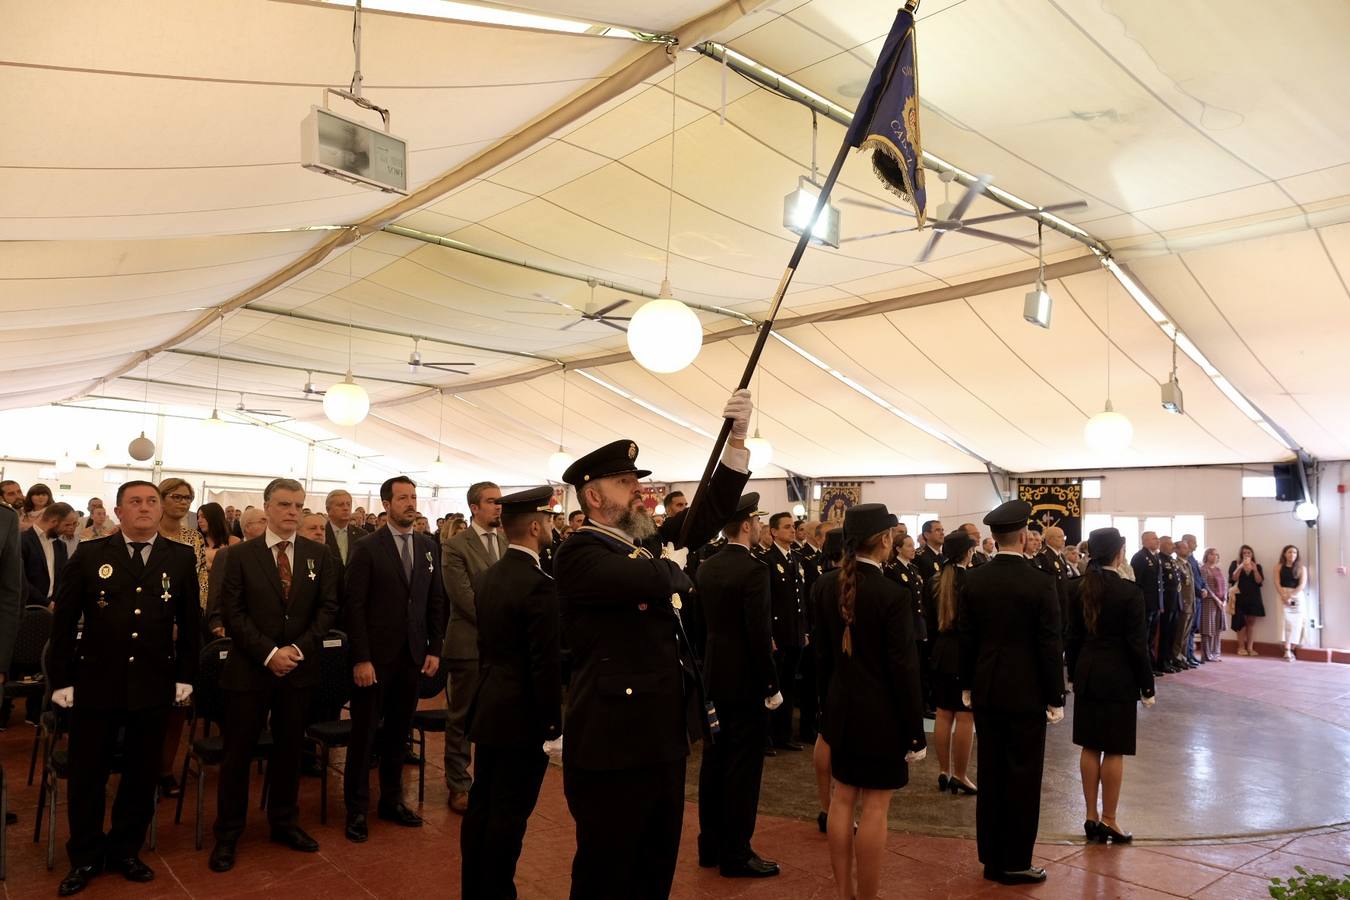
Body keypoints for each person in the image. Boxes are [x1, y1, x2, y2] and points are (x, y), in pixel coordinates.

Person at [554, 389, 752, 900]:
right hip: (611, 742)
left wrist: (737, 439)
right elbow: (647, 581)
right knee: (607, 868)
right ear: (593, 496)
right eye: (625, 484)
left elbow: (708, 515)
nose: (639, 494)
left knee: (656, 863)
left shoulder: (641, 543)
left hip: (661, 736)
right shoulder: (580, 552)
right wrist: (674, 570)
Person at [49, 481, 200, 896]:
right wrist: (61, 680)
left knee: (140, 773)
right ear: (118, 511)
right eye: (135, 502)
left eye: (152, 501)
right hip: (95, 683)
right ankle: (84, 856)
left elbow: (190, 625)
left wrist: (186, 676)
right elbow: (62, 624)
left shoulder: (181, 558)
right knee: (87, 775)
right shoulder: (91, 554)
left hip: (153, 684)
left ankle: (125, 851)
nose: (145, 508)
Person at [209, 478, 341, 873]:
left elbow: (328, 608)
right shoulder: (240, 556)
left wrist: (298, 649)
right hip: (250, 668)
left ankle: (284, 822)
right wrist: (269, 653)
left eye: (298, 505)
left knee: (289, 750)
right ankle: (228, 833)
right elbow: (232, 612)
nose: (292, 512)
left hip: (299, 668)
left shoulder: (319, 555)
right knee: (238, 755)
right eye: (284, 504)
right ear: (267, 506)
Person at [813, 503, 925, 900]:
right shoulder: (893, 593)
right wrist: (915, 733)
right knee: (876, 807)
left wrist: (828, 710)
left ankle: (844, 892)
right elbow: (903, 671)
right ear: (883, 540)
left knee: (842, 799)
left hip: (842, 710)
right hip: (883, 718)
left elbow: (822, 660)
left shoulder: (825, 585)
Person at [461, 486, 563, 897]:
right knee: (509, 813)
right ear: (536, 526)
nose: (554, 527)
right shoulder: (539, 584)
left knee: (483, 805)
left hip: (490, 704)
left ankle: (476, 889)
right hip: (522, 714)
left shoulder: (490, 576)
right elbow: (544, 664)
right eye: (551, 520)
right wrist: (553, 726)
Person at [960, 500, 1064, 886]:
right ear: (1023, 537)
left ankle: (990, 856)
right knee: (1022, 776)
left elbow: (967, 638)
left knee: (991, 773)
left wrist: (968, 684)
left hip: (987, 688)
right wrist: (1055, 696)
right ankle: (1015, 860)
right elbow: (1049, 644)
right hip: (1026, 691)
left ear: (993, 538)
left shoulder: (975, 579)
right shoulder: (1040, 581)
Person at [343, 476, 447, 841]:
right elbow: (353, 607)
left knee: (399, 734)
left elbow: (435, 599)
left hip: (412, 656)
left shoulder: (428, 546)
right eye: (402, 497)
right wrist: (361, 658)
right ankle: (356, 809)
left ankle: (391, 799)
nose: (410, 503)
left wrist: (435, 647)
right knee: (365, 733)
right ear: (386, 504)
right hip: (375, 658)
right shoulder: (368, 547)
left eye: (414, 497)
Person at [696, 493, 781, 879]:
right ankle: (736, 852)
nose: (760, 526)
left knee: (714, 762)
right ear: (746, 525)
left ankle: (710, 845)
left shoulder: (707, 565)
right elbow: (758, 634)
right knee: (743, 769)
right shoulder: (754, 569)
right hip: (746, 681)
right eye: (757, 521)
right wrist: (770, 684)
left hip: (714, 675)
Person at [1066, 527, 1155, 845]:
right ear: (1119, 554)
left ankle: (1090, 817)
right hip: (1119, 676)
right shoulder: (1130, 593)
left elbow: (1072, 638)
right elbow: (1137, 645)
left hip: (1088, 673)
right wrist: (1147, 685)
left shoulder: (1077, 588)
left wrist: (1075, 674)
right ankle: (1110, 820)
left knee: (1090, 746)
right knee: (1114, 749)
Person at [441, 480, 504, 813]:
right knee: (462, 718)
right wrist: (505, 621)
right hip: (469, 644)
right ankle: (458, 784)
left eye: (500, 501)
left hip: (503, 648)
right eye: (492, 501)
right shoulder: (456, 546)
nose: (498, 506)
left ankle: (489, 781)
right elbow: (463, 597)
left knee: (496, 717)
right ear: (474, 507)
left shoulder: (508, 541)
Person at [929, 531, 977, 796]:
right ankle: (960, 774)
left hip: (941, 653)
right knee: (966, 716)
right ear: (968, 553)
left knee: (943, 713)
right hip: (964, 655)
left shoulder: (934, 580)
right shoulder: (972, 581)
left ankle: (944, 771)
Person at [765, 511, 806, 751]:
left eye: (793, 527)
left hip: (794, 631)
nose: (792, 530)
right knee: (774, 685)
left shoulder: (795, 558)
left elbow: (800, 599)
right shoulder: (767, 560)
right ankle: (768, 736)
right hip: (777, 633)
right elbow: (768, 603)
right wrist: (768, 634)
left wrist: (804, 630)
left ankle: (784, 735)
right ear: (774, 531)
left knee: (789, 684)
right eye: (787, 527)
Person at [205, 507, 266, 638]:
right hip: (233, 627)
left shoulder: (271, 554)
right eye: (263, 521)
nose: (268, 525)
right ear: (248, 527)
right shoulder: (228, 553)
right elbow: (216, 589)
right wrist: (216, 622)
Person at [22, 502, 75, 603]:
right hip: (27, 607)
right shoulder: (22, 540)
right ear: (53, 521)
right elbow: (20, 580)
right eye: (67, 524)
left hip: (52, 606)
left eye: (73, 524)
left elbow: (62, 577)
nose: (70, 529)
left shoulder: (61, 546)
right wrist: (45, 603)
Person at [1130, 532, 1166, 677]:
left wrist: (1160, 604)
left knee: (1151, 638)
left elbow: (1159, 584)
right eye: (1154, 538)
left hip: (1154, 604)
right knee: (1143, 637)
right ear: (1144, 541)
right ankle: (1142, 668)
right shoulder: (1140, 557)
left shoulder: (1155, 557)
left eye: (1157, 538)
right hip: (1144, 604)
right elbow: (1137, 583)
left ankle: (1150, 666)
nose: (1157, 541)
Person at [1228, 545, 1264, 656]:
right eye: (1244, 553)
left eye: (1249, 553)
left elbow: (1259, 582)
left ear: (1252, 554)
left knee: (1251, 623)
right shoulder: (1235, 564)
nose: (1247, 555)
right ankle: (1240, 647)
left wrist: (1255, 570)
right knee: (1240, 623)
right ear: (1241, 555)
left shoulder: (1257, 566)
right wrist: (1240, 567)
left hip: (1253, 597)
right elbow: (1233, 579)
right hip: (1239, 596)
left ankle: (1250, 647)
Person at [1275, 545, 1306, 662]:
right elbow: (1276, 582)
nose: (1292, 555)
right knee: (1285, 622)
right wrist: (1284, 595)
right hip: (1282, 594)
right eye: (1289, 552)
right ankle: (1286, 649)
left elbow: (1302, 585)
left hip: (1296, 596)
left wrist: (1290, 596)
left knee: (1296, 623)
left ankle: (1292, 648)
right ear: (1284, 554)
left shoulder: (1301, 568)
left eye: (1294, 553)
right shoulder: (1278, 567)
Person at [323, 489, 365, 566]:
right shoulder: (321, 533)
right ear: (328, 509)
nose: (346, 508)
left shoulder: (362, 535)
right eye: (340, 505)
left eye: (348, 504)